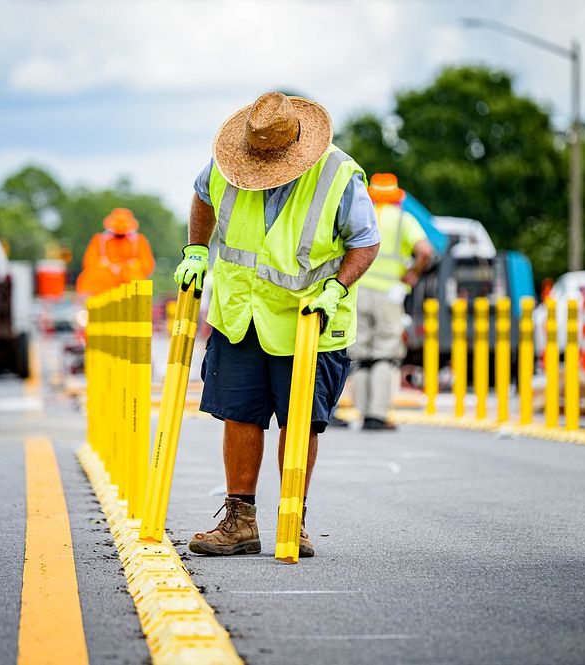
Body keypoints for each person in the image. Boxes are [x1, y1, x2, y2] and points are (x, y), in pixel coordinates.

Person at [175, 91, 379, 557]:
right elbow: (202, 197)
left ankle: (293, 518)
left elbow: (365, 242)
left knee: (300, 421)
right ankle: (239, 521)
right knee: (239, 413)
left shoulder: (338, 175)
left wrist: (337, 288)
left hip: (310, 319)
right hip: (240, 314)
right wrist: (196, 250)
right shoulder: (226, 165)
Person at [346, 173, 433, 431]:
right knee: (385, 353)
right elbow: (426, 251)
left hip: (358, 291)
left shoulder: (362, 215)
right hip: (389, 293)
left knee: (361, 354)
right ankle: (377, 414)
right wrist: (413, 273)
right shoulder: (403, 220)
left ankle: (361, 412)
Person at [75, 207, 155, 295]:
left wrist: (131, 266)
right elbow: (88, 263)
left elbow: (148, 265)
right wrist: (106, 266)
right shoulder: (99, 240)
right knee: (94, 277)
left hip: (128, 280)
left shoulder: (139, 240)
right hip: (104, 282)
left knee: (137, 279)